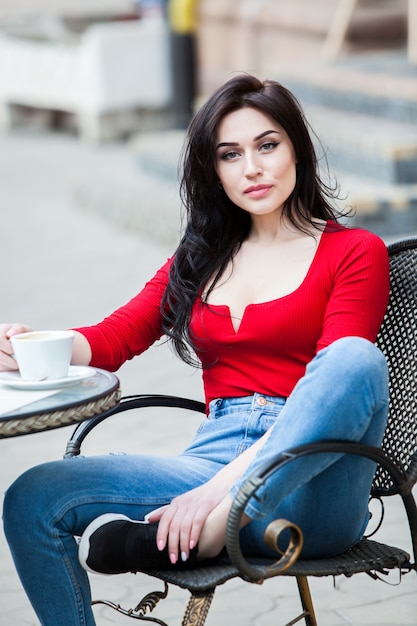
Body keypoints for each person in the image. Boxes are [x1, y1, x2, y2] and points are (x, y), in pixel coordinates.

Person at [1, 74, 390, 626]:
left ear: (298, 149)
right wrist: (24, 348)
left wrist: (216, 496)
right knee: (31, 497)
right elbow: (111, 340)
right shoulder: (201, 256)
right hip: (211, 463)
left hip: (312, 485)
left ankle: (212, 526)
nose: (251, 167)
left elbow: (341, 385)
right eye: (230, 154)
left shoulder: (355, 252)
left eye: (268, 145)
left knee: (357, 359)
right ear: (215, 172)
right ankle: (210, 526)